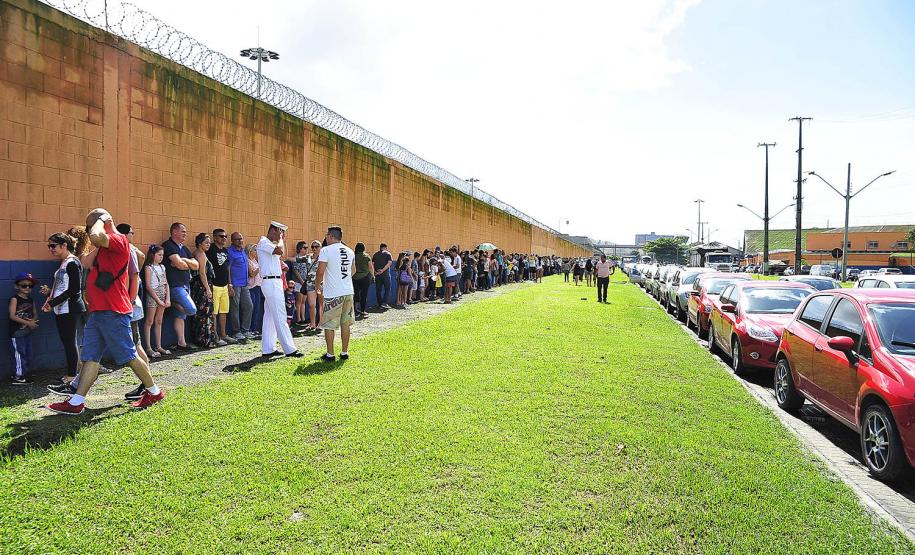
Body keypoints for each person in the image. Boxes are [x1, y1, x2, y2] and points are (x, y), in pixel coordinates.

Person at [47, 208, 163, 414]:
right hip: (99, 311)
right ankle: (76, 402)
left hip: (113, 310)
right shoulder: (104, 246)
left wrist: (100, 221)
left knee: (128, 354)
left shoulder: (117, 240)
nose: (90, 233)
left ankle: (154, 392)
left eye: (90, 226)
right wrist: (97, 239)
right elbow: (86, 263)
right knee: (90, 356)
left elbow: (96, 236)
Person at [41, 232, 87, 387]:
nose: (51, 249)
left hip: (70, 308)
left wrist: (52, 303)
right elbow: (64, 288)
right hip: (63, 308)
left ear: (64, 245)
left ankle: (72, 375)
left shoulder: (72, 263)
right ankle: (72, 373)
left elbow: (74, 290)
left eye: (53, 246)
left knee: (69, 342)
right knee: (68, 341)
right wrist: (50, 295)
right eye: (49, 246)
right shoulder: (65, 262)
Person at [257, 221, 302, 358]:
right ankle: (290, 349)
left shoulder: (270, 244)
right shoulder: (264, 241)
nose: (282, 235)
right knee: (281, 316)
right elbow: (281, 251)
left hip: (274, 281)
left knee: (270, 317)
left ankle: (268, 348)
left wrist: (281, 239)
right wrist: (281, 239)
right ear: (273, 230)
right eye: (280, 232)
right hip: (270, 282)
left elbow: (282, 254)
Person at [316, 226, 355, 361]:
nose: (326, 237)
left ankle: (330, 354)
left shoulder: (326, 250)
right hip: (348, 291)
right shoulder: (349, 251)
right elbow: (353, 271)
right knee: (346, 323)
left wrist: (317, 286)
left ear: (331, 236)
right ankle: (344, 352)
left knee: (329, 324)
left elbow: (320, 271)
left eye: (327, 235)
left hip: (333, 292)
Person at [162, 222, 199, 350]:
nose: (185, 234)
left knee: (180, 316)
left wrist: (184, 261)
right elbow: (180, 264)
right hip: (175, 286)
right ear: (174, 232)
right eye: (183, 231)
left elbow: (196, 265)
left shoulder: (184, 248)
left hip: (185, 284)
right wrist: (184, 263)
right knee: (191, 310)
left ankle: (181, 342)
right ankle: (170, 302)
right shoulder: (168, 245)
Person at [207, 228, 236, 345]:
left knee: (223, 311)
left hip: (225, 285)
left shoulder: (225, 251)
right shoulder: (210, 250)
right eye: (221, 236)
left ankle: (223, 334)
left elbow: (227, 268)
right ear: (214, 237)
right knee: (214, 312)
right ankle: (215, 336)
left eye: (225, 236)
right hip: (214, 285)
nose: (224, 238)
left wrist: (230, 284)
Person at [8, 272, 38, 385]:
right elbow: (12, 315)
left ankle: (24, 372)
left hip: (27, 331)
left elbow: (35, 314)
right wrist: (27, 323)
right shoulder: (14, 299)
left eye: (30, 286)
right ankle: (18, 376)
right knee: (19, 354)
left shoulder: (31, 300)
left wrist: (32, 321)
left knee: (28, 353)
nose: (27, 288)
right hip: (17, 332)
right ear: (17, 286)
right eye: (24, 285)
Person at [190, 233, 218, 348]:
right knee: (205, 313)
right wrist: (208, 289)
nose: (208, 245)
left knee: (202, 313)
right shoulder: (200, 254)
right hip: (202, 287)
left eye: (209, 242)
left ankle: (202, 339)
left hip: (199, 286)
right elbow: (202, 273)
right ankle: (205, 340)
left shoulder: (199, 253)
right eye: (206, 243)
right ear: (200, 243)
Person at [142, 245, 170, 357]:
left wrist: (167, 298)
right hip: (153, 295)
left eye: (162, 255)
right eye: (159, 255)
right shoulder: (148, 268)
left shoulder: (163, 267)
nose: (161, 257)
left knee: (159, 321)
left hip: (162, 293)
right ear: (153, 255)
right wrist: (158, 300)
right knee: (149, 321)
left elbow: (166, 283)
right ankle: (148, 348)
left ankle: (158, 346)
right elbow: (148, 286)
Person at [227, 232, 254, 341]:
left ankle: (245, 330)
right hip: (235, 284)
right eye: (237, 239)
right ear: (232, 241)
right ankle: (236, 332)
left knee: (249, 306)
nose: (240, 241)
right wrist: (230, 284)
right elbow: (227, 269)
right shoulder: (230, 252)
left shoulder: (243, 251)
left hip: (244, 284)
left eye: (241, 239)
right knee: (235, 308)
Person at [352, 242, 374, 319]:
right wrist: (373, 276)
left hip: (354, 277)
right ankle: (362, 310)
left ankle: (354, 310)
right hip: (365, 277)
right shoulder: (366, 256)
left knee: (355, 294)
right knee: (364, 295)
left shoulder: (353, 256)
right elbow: (370, 267)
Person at [245, 244, 263, 336]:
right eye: (255, 250)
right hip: (251, 287)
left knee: (257, 308)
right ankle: (249, 328)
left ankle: (255, 328)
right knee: (251, 308)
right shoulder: (248, 261)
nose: (256, 252)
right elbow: (251, 274)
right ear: (250, 251)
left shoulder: (255, 260)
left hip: (258, 286)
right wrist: (260, 268)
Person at [372, 243, 393, 309]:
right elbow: (389, 263)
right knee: (387, 288)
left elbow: (372, 264)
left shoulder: (375, 254)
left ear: (380, 247)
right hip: (385, 274)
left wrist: (375, 272)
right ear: (386, 247)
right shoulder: (388, 254)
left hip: (377, 275)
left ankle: (379, 303)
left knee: (378, 290)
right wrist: (383, 270)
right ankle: (384, 303)